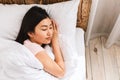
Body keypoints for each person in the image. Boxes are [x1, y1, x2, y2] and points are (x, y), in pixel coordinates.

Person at [15, 6, 65, 78]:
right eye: (44, 29)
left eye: (51, 28)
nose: (50, 33)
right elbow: (61, 73)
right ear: (30, 33)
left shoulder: (28, 45)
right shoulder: (33, 48)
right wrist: (55, 42)